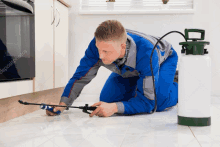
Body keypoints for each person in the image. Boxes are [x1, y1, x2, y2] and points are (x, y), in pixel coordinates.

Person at [46, 20, 178, 117]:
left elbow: (148, 103)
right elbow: (80, 77)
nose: (100, 56)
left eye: (106, 51)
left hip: (163, 61)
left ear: (122, 47)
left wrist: (115, 108)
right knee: (107, 100)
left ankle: (178, 84)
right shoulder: (97, 46)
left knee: (157, 103)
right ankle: (143, 85)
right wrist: (63, 104)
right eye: (99, 49)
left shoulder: (147, 53)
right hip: (131, 69)